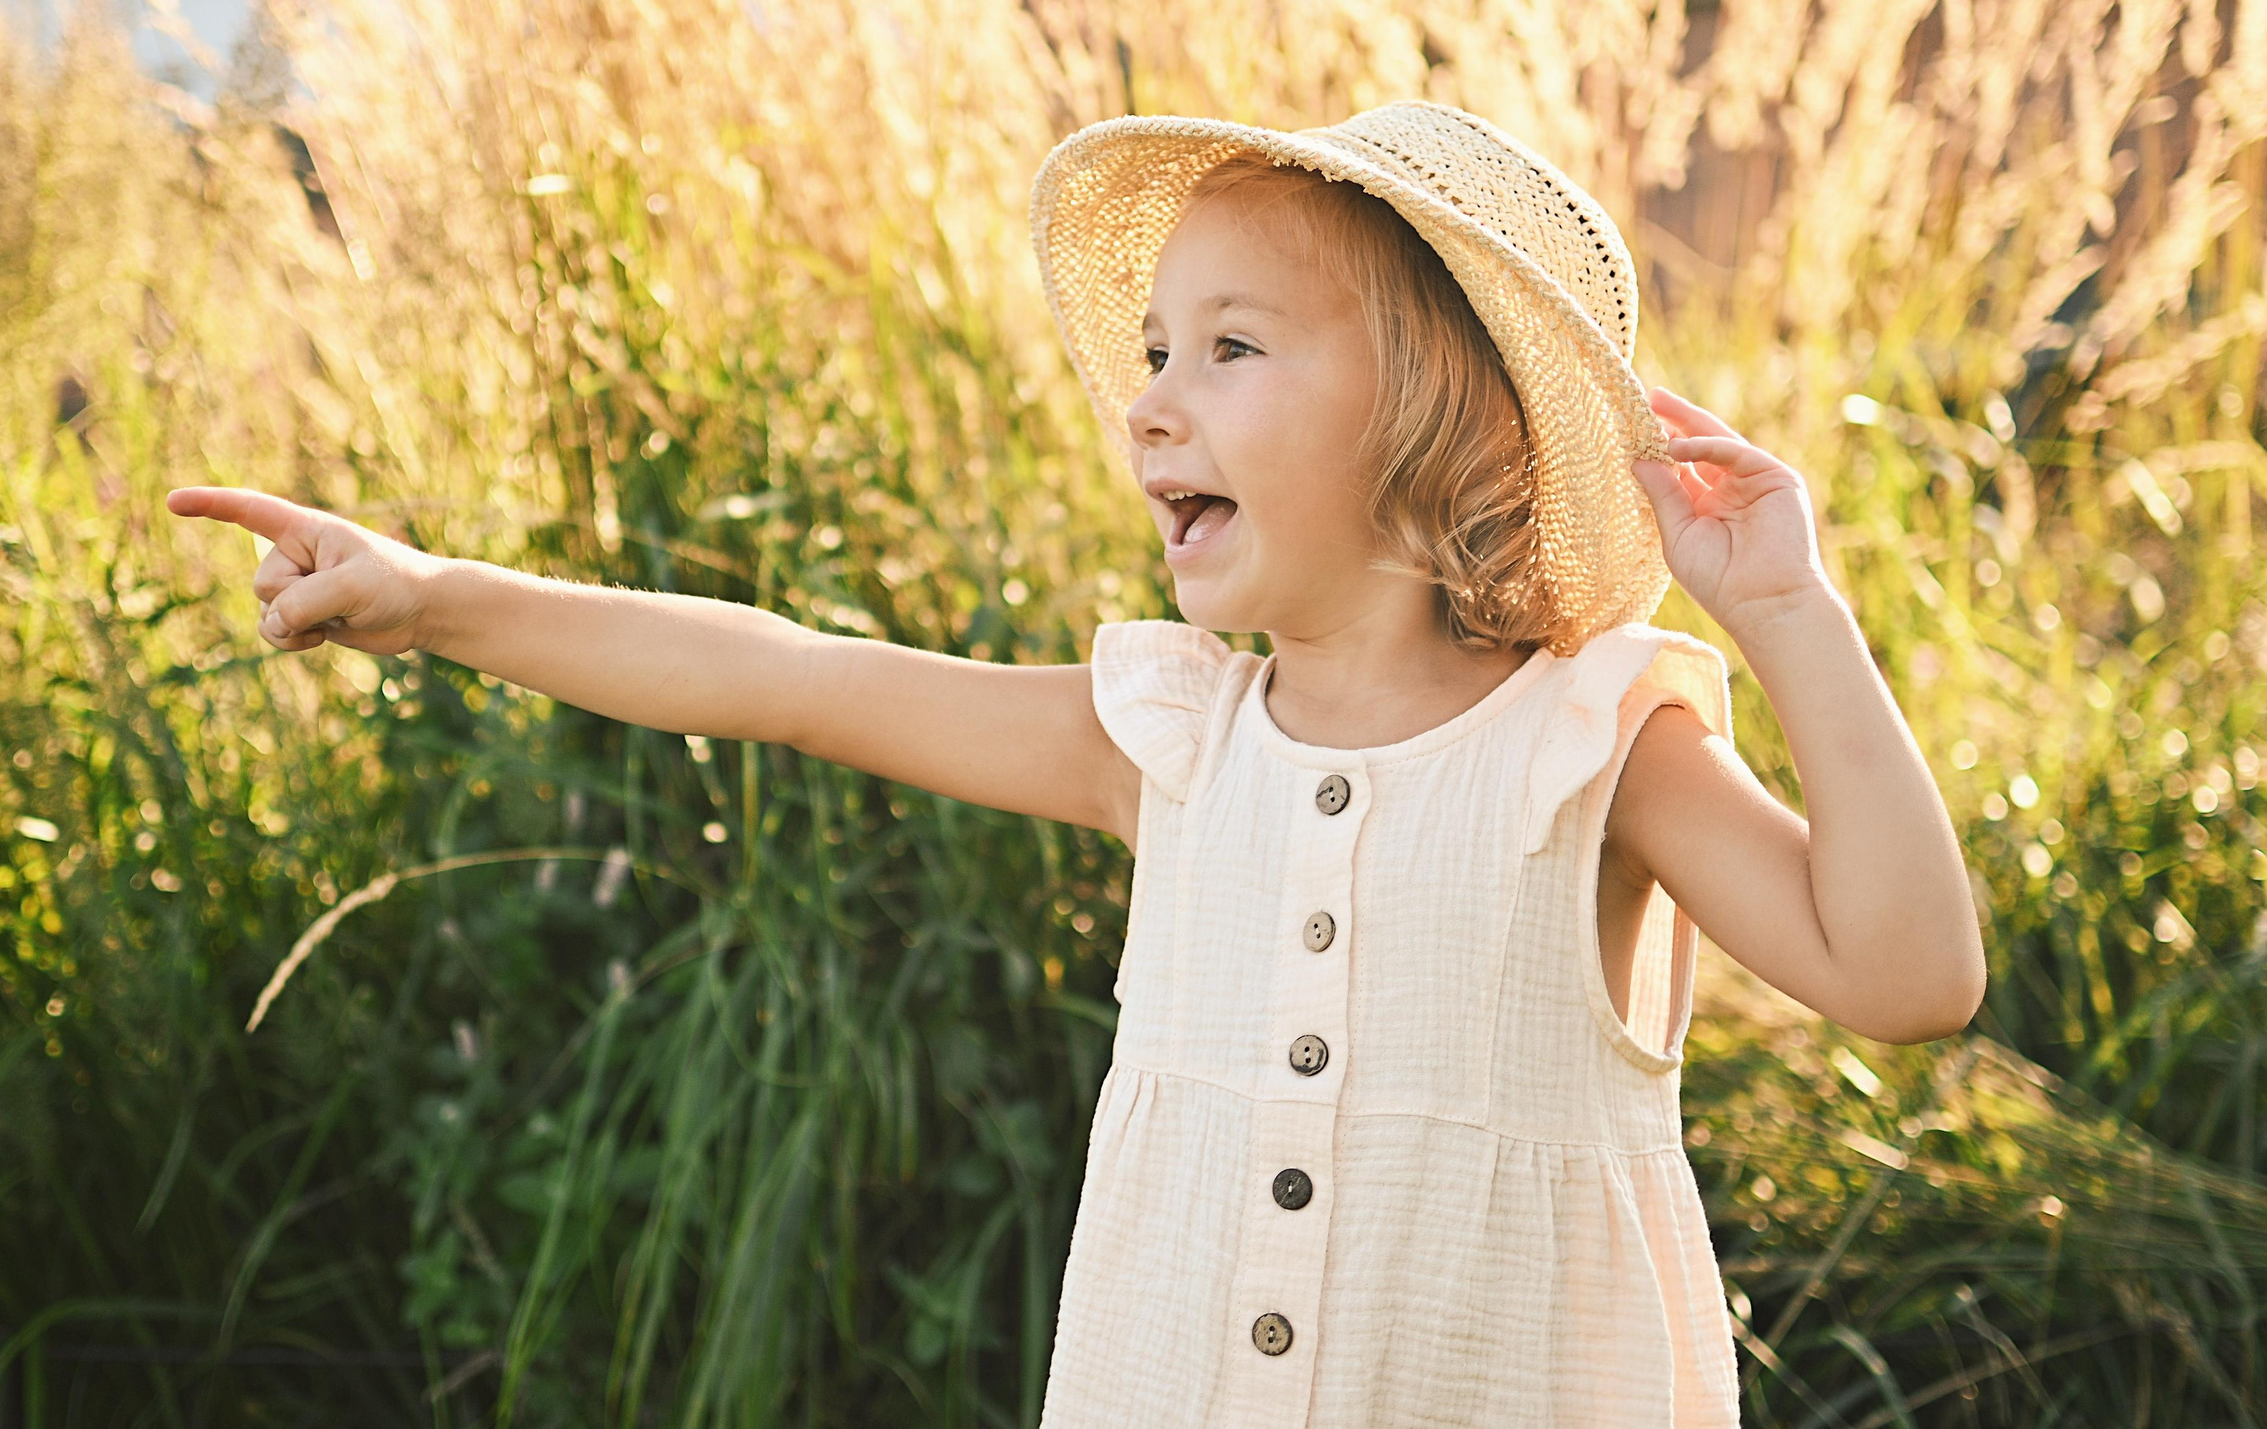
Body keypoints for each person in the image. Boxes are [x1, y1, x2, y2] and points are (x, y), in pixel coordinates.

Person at [169, 100, 1986, 1426]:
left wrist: (1789, 614)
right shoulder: (1172, 741)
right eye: (1153, 352)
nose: (1153, 399)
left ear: (1440, 412)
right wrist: (439, 597)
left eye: (1233, 348)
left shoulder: (1594, 750)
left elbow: (1907, 977)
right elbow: (791, 676)